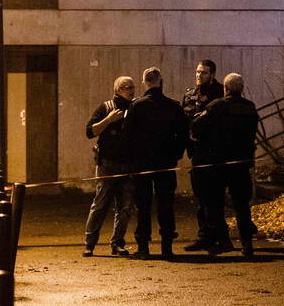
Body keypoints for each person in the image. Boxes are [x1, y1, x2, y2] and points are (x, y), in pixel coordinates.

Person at [190, 72, 260, 257]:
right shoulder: (250, 107)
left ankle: (223, 241)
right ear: (241, 89)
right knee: (241, 205)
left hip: (218, 163)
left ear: (225, 88)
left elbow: (196, 126)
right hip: (241, 164)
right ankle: (247, 243)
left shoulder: (217, 106)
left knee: (215, 203)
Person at [122, 67, 187, 260]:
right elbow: (183, 135)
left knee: (143, 205)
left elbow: (127, 136)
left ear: (144, 82)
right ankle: (167, 246)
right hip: (165, 163)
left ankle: (143, 246)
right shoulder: (173, 106)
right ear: (160, 81)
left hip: (142, 164)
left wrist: (132, 159)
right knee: (165, 203)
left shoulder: (136, 106)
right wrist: (175, 155)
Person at [81, 76, 137, 256]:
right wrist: (108, 120)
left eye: (133, 87)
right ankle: (89, 243)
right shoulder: (106, 108)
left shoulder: (135, 108)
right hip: (107, 165)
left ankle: (117, 243)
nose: (132, 90)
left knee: (125, 206)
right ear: (118, 90)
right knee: (100, 204)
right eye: (127, 87)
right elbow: (90, 131)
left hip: (127, 164)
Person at [181, 59, 224, 251]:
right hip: (197, 153)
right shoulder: (190, 94)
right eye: (198, 72)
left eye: (204, 73)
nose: (199, 76)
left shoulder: (221, 94)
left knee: (214, 198)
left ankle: (215, 238)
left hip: (215, 153)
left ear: (212, 75)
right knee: (201, 197)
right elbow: (184, 122)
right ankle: (206, 236)